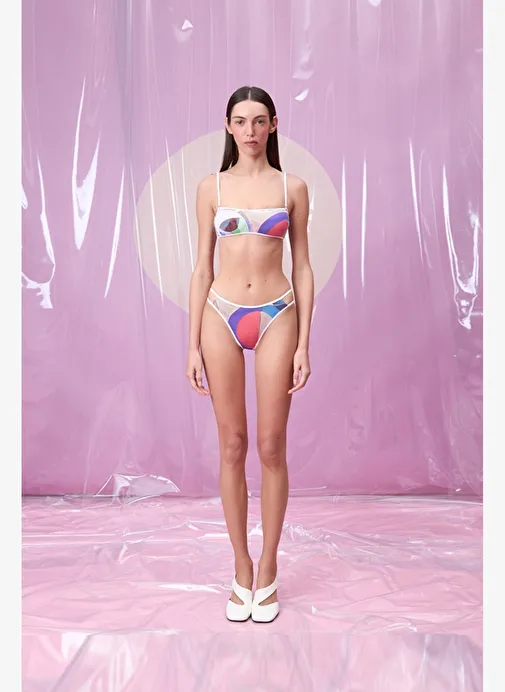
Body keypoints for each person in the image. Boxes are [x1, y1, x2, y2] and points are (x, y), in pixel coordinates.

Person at [186, 86, 314, 623]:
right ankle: (241, 567)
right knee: (232, 444)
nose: (250, 131)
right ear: (228, 126)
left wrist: (304, 342)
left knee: (270, 445)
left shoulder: (292, 186)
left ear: (274, 125)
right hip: (220, 313)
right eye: (240, 121)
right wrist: (191, 344)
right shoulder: (211, 187)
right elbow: (202, 268)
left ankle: (269, 566)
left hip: (277, 312)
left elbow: (302, 265)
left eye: (259, 121)